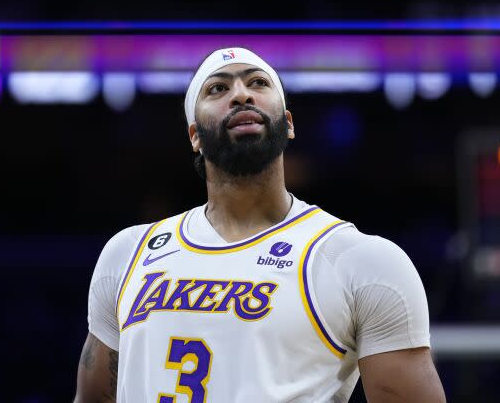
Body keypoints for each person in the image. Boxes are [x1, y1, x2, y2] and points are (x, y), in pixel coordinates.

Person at [74, 47, 446, 403]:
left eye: (257, 83)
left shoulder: (361, 261)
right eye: (218, 88)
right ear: (195, 136)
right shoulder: (128, 253)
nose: (241, 95)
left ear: (288, 124)